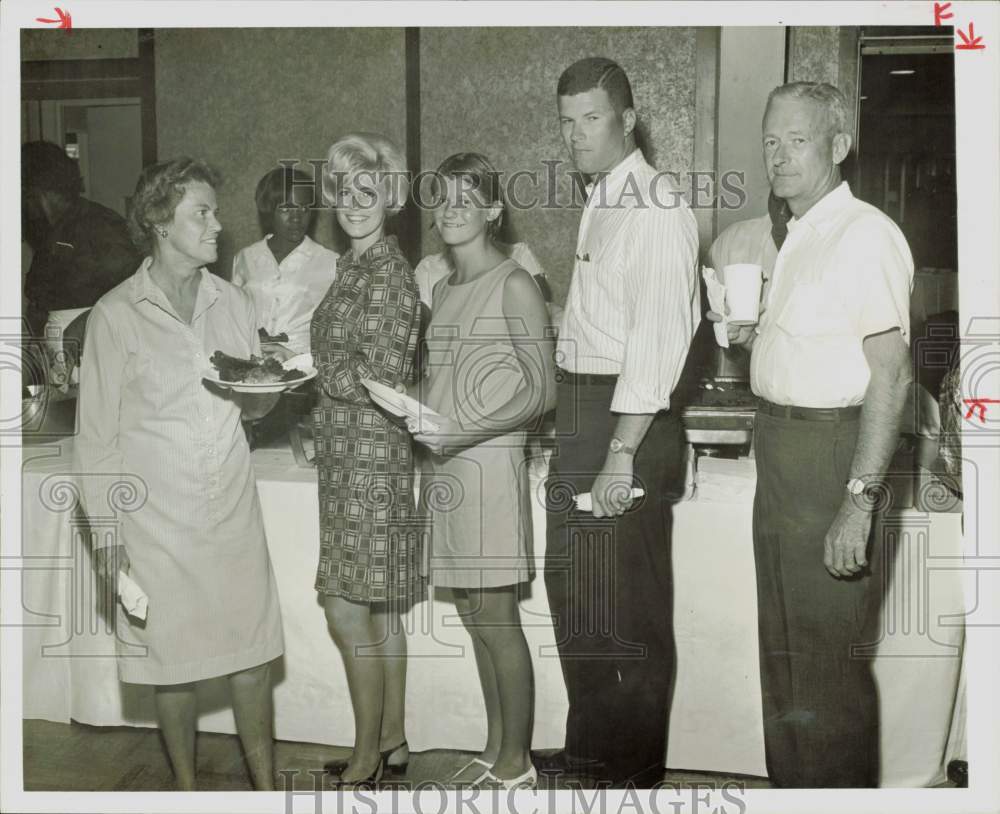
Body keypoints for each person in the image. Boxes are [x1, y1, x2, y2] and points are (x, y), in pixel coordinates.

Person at [713, 81, 914, 787]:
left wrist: (859, 500)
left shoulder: (865, 235)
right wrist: (749, 336)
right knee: (786, 666)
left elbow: (891, 376)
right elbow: (813, 349)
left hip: (834, 456)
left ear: (837, 146)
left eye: (797, 140)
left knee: (826, 676)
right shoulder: (800, 235)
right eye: (770, 140)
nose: (779, 155)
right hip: (783, 451)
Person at [75, 158, 285, 790]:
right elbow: (95, 444)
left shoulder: (235, 301)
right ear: (161, 224)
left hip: (230, 510)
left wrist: (268, 386)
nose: (219, 224)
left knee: (251, 662)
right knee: (175, 668)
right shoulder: (114, 315)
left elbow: (257, 403)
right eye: (203, 212)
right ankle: (190, 796)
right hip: (156, 523)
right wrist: (109, 545)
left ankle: (268, 794)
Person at [542, 57, 699, 787]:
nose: (576, 135)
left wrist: (620, 453)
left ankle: (631, 778)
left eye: (592, 119)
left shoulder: (656, 207)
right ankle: (591, 754)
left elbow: (658, 340)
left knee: (625, 611)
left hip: (623, 422)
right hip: (585, 411)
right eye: (567, 122)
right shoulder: (602, 195)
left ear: (628, 119)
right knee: (577, 595)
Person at [408, 153, 556, 789]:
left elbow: (542, 391)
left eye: (469, 196)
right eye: (443, 195)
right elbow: (444, 381)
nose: (452, 206)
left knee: (496, 615)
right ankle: (497, 749)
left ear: (495, 210)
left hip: (489, 465)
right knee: (472, 612)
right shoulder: (440, 288)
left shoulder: (514, 283)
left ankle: (518, 765)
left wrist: (462, 430)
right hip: (446, 468)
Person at [311, 133, 423, 786]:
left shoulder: (387, 272)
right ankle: (393, 739)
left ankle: (366, 757)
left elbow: (376, 377)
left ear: (389, 195)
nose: (355, 203)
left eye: (368, 190)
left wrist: (312, 370)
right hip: (350, 455)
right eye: (344, 190)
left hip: (369, 462)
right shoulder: (351, 266)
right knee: (378, 608)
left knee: (347, 606)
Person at [22, 140, 141, 347]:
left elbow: (135, 293)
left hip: (95, 351)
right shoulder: (49, 233)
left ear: (34, 192)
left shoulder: (101, 227)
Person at [232, 165, 338, 355]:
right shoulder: (245, 258)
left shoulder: (330, 262)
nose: (296, 218)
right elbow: (234, 317)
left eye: (304, 209)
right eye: (286, 208)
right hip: (252, 362)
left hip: (304, 367)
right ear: (268, 210)